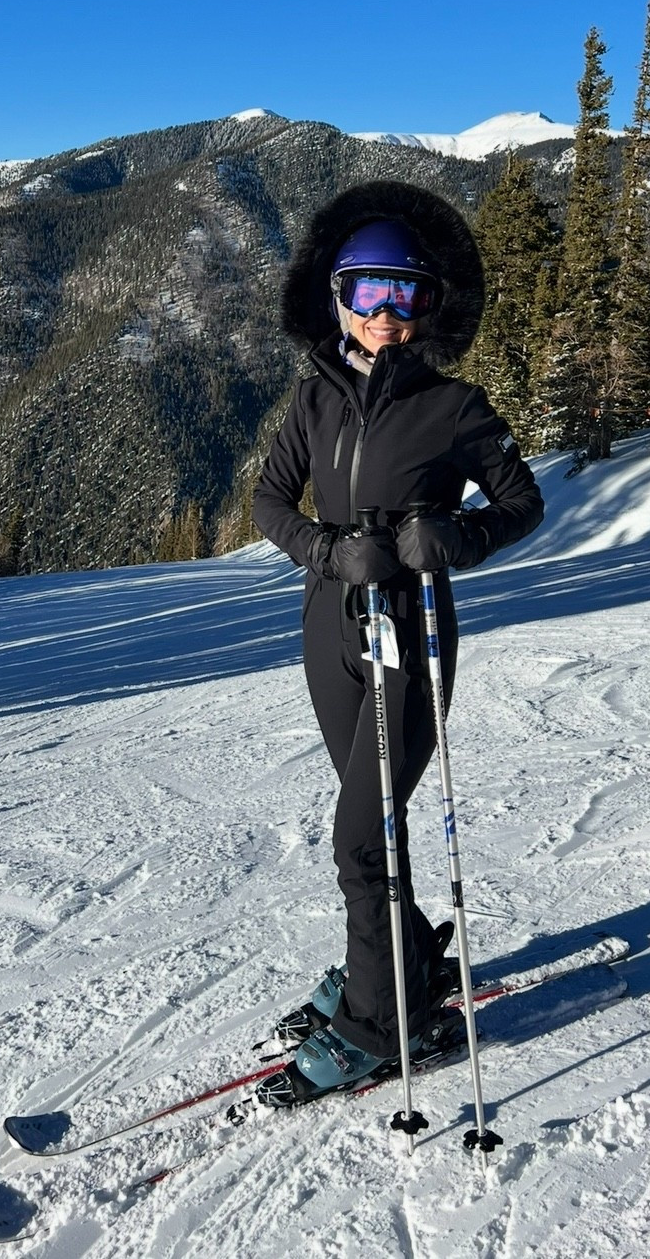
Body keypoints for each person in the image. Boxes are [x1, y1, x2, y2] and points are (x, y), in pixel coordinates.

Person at [251, 179, 544, 1098]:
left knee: (360, 839)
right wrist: (326, 551)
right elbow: (269, 501)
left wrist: (453, 538)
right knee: (370, 822)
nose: (386, 313)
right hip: (330, 624)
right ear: (338, 297)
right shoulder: (313, 399)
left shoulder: (454, 406)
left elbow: (522, 502)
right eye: (370, 290)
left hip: (410, 634)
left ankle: (382, 1026)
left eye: (406, 293)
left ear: (428, 305)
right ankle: (401, 964)